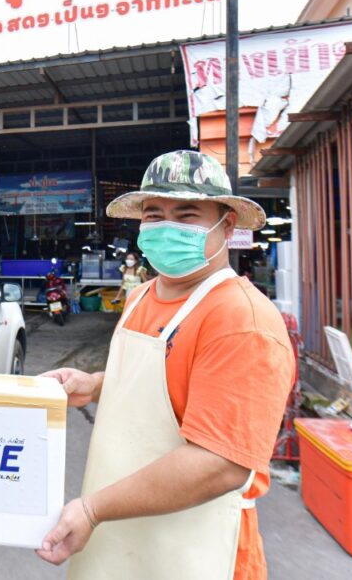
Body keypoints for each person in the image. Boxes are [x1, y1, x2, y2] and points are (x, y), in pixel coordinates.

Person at [37, 150, 295, 580]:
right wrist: (96, 384)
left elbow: (220, 464)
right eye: (154, 215)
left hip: (196, 550)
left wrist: (93, 509)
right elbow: (165, 383)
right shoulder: (142, 296)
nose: (166, 227)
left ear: (227, 225)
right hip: (117, 535)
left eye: (186, 215)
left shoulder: (241, 320)